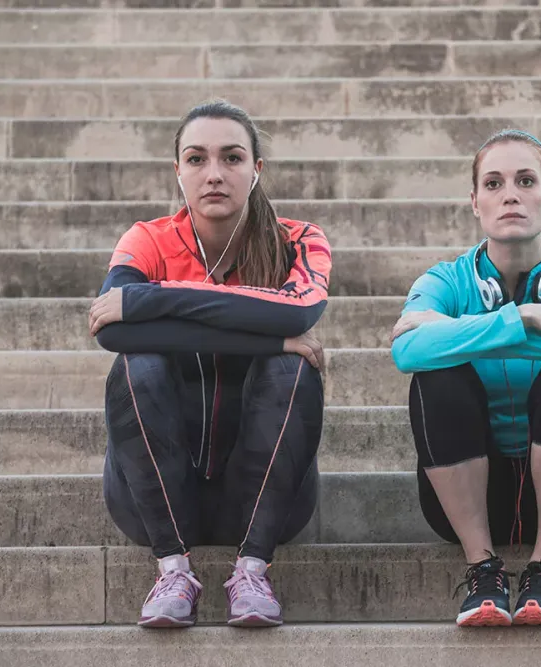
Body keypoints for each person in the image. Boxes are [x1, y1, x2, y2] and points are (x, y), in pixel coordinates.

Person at [88, 100, 332, 629]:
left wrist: (154, 299)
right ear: (178, 171)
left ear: (256, 170)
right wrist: (270, 338)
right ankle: (173, 570)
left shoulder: (298, 240)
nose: (214, 174)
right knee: (139, 362)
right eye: (196, 159)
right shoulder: (146, 240)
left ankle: (252, 570)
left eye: (232, 158)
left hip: (270, 501)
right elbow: (116, 330)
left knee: (296, 369)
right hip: (148, 499)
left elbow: (304, 309)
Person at [390, 130, 541, 628]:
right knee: (435, 377)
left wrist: (457, 331)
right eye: (493, 183)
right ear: (475, 202)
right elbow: (407, 350)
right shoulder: (444, 280)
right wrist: (530, 320)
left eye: (525, 180)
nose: (509, 194)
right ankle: (482, 570)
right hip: (472, 498)